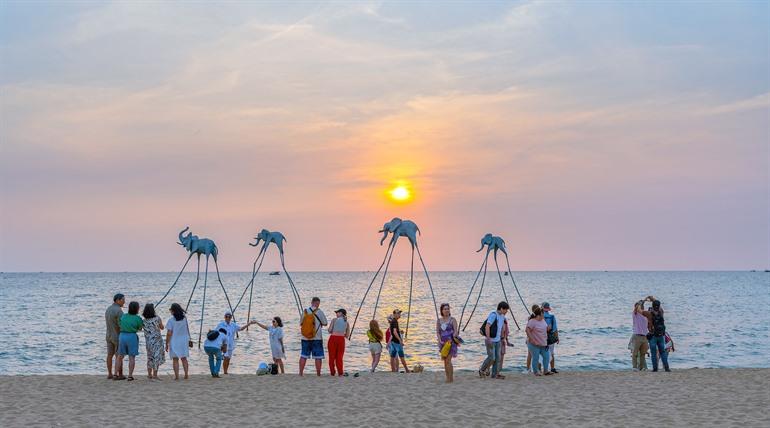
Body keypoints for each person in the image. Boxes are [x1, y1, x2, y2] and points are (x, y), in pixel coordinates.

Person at [299, 297, 328, 376]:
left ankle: (301, 373)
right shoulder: (320, 312)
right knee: (318, 357)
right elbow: (325, 323)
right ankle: (318, 374)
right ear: (318, 303)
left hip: (305, 337)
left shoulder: (305, 311)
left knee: (303, 355)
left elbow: (301, 323)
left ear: (311, 302)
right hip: (317, 337)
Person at [479, 301, 509, 379]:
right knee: (491, 358)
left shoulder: (502, 316)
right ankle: (482, 370)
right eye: (506, 310)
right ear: (501, 308)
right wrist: (488, 339)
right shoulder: (493, 315)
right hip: (491, 340)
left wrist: (503, 338)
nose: (506, 311)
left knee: (498, 358)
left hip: (498, 340)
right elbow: (487, 326)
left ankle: (495, 374)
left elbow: (501, 328)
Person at [115, 301, 143, 381]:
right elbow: (140, 328)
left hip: (122, 336)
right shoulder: (138, 318)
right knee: (131, 357)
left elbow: (120, 324)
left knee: (120, 356)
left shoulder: (123, 316)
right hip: (132, 337)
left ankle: (115, 374)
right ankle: (130, 376)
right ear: (137, 309)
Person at [166, 303, 191, 380]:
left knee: (175, 359)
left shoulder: (171, 320)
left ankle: (177, 376)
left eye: (171, 310)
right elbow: (187, 329)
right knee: (184, 358)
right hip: (184, 341)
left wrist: (166, 343)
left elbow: (169, 333)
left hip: (174, 341)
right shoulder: (184, 319)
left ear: (173, 311)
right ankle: (186, 374)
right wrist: (189, 339)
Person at [436, 303, 459, 383]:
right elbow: (438, 332)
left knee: (448, 360)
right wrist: (439, 340)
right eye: (445, 309)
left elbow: (455, 331)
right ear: (442, 311)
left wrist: (453, 337)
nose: (447, 310)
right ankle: (447, 377)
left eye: (448, 309)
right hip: (443, 343)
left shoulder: (453, 320)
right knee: (445, 361)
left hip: (451, 343)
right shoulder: (439, 321)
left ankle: (451, 378)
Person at [647, 298, 671, 372]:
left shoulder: (649, 314)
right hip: (661, 335)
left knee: (653, 353)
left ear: (652, 306)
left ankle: (655, 368)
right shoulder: (661, 312)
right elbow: (659, 306)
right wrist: (652, 299)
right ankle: (666, 368)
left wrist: (643, 301)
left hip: (653, 335)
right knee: (662, 352)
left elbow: (639, 311)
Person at [142, 303, 165, 380]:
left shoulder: (144, 321)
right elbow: (162, 327)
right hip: (157, 341)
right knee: (156, 357)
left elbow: (139, 329)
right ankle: (155, 375)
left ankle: (149, 375)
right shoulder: (157, 318)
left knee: (150, 357)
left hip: (148, 342)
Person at [526, 305, 550, 376]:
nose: (544, 315)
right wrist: (532, 339)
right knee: (535, 358)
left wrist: (548, 328)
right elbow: (527, 330)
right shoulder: (532, 321)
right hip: (534, 344)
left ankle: (545, 371)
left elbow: (544, 329)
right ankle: (535, 372)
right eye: (543, 313)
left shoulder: (543, 320)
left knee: (546, 356)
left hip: (543, 343)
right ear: (539, 315)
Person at [105, 293, 125, 380]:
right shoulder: (119, 311)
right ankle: (119, 374)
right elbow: (122, 325)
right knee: (119, 355)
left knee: (109, 355)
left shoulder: (108, 309)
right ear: (117, 300)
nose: (124, 302)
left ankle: (110, 374)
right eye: (123, 300)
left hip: (108, 335)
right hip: (116, 335)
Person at [327, 308, 349, 376]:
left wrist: (333, 331)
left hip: (333, 339)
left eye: (337, 312)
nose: (336, 314)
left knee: (331, 357)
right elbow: (347, 335)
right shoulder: (346, 322)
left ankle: (332, 372)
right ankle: (340, 372)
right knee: (339, 357)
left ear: (341, 313)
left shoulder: (334, 320)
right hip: (341, 340)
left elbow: (329, 330)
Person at [388, 309, 410, 373]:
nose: (399, 315)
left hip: (393, 342)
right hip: (396, 342)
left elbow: (393, 330)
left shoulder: (393, 321)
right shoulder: (395, 321)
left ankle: (393, 370)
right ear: (394, 314)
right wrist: (400, 340)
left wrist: (399, 331)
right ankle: (407, 369)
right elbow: (394, 332)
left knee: (392, 356)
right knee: (401, 356)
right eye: (398, 313)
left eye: (399, 313)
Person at [631, 299, 650, 371]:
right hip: (637, 336)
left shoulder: (645, 315)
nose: (639, 307)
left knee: (643, 353)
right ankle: (634, 367)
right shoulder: (635, 314)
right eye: (639, 306)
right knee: (635, 353)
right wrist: (642, 301)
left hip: (644, 337)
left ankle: (641, 367)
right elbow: (637, 308)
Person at [542, 302, 559, 374]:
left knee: (541, 353)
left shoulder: (539, 317)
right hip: (551, 337)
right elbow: (555, 328)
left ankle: (540, 369)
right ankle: (552, 368)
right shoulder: (552, 317)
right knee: (551, 353)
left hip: (542, 337)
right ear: (548, 308)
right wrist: (557, 337)